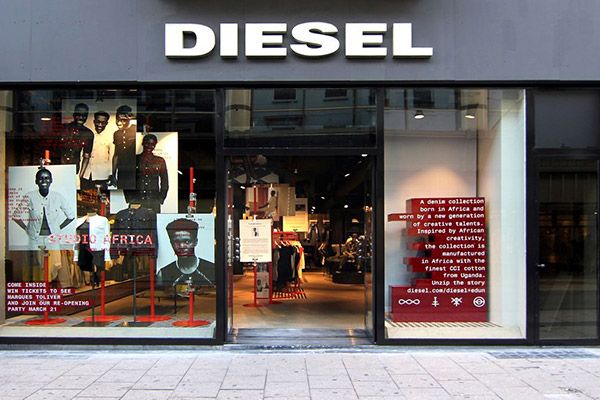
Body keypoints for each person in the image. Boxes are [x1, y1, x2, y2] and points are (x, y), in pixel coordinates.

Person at [12, 167, 75, 250]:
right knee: (35, 258)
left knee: (54, 258)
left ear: (51, 180)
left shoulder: (58, 197)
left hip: (53, 239)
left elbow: (71, 216)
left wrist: (58, 228)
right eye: (40, 178)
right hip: (34, 239)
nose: (44, 181)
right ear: (36, 181)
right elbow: (16, 216)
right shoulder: (29, 196)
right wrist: (27, 229)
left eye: (46, 178)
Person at [157, 218, 215, 294]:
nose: (181, 246)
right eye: (176, 242)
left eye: (187, 241)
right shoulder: (163, 273)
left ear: (195, 242)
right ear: (171, 243)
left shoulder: (212, 269)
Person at [124, 134, 169, 213]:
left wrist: (160, 199)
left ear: (155, 145)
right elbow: (126, 180)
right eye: (147, 143)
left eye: (152, 144)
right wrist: (130, 198)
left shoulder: (160, 161)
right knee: (135, 220)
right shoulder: (134, 159)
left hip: (153, 200)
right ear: (142, 143)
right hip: (136, 200)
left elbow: (164, 182)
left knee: (153, 220)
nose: (149, 146)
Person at [79, 111, 114, 189]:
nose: (100, 125)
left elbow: (111, 157)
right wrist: (80, 173)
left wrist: (111, 174)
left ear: (106, 123)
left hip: (101, 175)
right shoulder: (88, 135)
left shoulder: (109, 138)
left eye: (103, 122)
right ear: (94, 121)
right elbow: (82, 154)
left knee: (100, 195)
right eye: (98, 122)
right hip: (86, 174)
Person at [60, 103, 94, 175]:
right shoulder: (65, 129)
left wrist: (80, 176)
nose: (81, 117)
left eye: (84, 115)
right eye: (79, 115)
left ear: (87, 116)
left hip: (74, 168)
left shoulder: (88, 133)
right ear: (74, 115)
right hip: (59, 166)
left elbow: (86, 156)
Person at [109, 105, 137, 189]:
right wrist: (113, 174)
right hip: (122, 171)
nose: (119, 123)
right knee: (122, 192)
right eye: (117, 119)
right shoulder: (116, 134)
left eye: (123, 120)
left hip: (134, 171)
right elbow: (116, 155)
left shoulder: (135, 129)